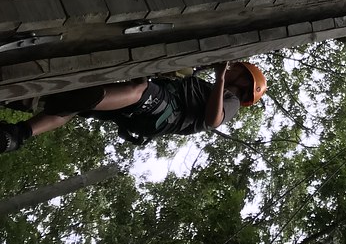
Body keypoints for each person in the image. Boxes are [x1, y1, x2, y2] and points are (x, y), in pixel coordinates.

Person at [0, 61, 266, 154]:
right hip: (150, 116)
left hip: (165, 109)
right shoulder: (209, 89)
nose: (234, 69)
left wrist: (220, 77)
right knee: (76, 110)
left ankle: (85, 95)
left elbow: (211, 120)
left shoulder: (230, 102)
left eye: (239, 71)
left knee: (140, 89)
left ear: (245, 84)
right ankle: (17, 135)